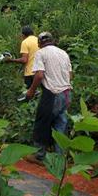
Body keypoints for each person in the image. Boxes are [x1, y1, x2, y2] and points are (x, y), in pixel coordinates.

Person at [26, 32, 72, 163]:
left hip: (52, 94)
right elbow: (70, 75)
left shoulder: (41, 53)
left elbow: (39, 75)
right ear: (53, 41)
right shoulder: (63, 53)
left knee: (42, 124)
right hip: (66, 94)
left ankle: (39, 155)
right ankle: (59, 158)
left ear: (39, 44)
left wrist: (31, 91)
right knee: (60, 125)